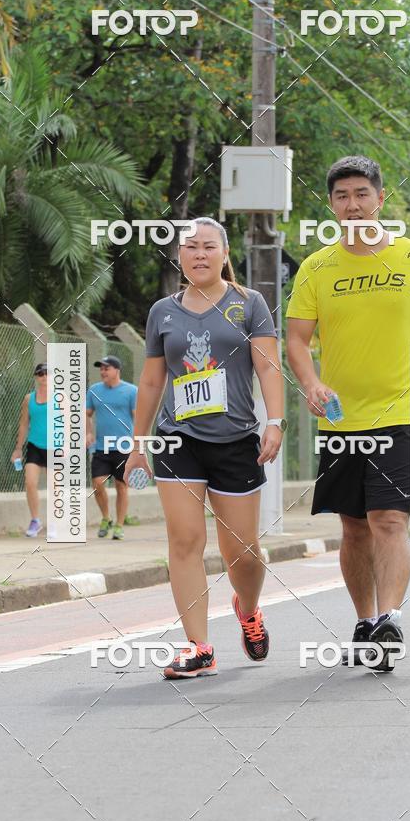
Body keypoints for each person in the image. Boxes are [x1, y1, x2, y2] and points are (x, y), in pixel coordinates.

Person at [287, 155, 410, 670]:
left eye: (361, 194)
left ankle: (389, 617)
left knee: (389, 518)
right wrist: (311, 381)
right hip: (342, 417)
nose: (352, 205)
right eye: (342, 196)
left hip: (402, 411)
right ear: (331, 205)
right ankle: (365, 619)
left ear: (380, 200)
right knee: (353, 528)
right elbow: (297, 340)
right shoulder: (317, 268)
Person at [124, 217, 285, 679]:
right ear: (179, 256)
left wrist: (274, 422)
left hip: (237, 440)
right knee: (185, 540)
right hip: (178, 440)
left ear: (224, 253)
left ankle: (248, 609)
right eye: (190, 247)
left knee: (243, 553)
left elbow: (269, 368)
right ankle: (198, 646)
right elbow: (153, 379)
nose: (199, 254)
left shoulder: (249, 303)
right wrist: (139, 444)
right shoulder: (163, 311)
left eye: (208, 246)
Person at [86, 356, 138, 540]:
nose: (103, 372)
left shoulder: (131, 391)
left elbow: (137, 418)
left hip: (124, 447)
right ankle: (106, 518)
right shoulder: (94, 390)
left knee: (121, 486)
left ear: (117, 370)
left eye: (107, 368)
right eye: (101, 369)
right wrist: (88, 433)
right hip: (101, 447)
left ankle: (119, 525)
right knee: (97, 483)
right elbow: (87, 414)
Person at [11, 363, 50, 537]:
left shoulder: (60, 397)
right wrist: (18, 448)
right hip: (34, 445)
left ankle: (56, 523)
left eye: (47, 373)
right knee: (30, 483)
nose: (43, 376)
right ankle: (35, 520)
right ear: (36, 377)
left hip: (53, 446)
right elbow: (24, 424)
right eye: (40, 373)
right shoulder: (29, 399)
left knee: (54, 486)